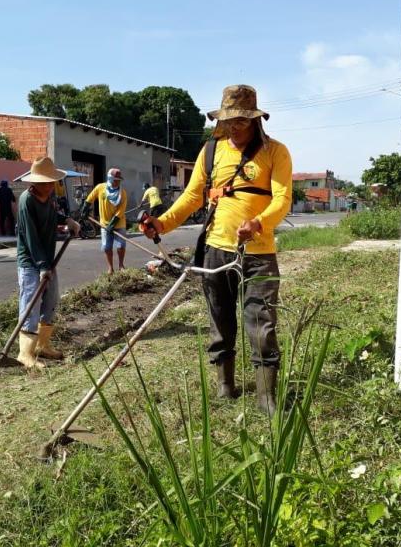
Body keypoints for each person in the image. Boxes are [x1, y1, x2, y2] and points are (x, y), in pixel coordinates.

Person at [142, 85, 292, 415]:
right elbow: (193, 197)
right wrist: (162, 223)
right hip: (215, 251)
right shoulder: (211, 151)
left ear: (254, 120)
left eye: (241, 120)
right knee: (219, 321)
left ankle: (266, 396)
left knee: (261, 323)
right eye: (228, 120)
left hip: (258, 254)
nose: (234, 127)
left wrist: (259, 222)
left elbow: (282, 199)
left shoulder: (275, 152)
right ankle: (226, 385)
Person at [16, 157, 80, 368]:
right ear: (35, 183)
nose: (51, 186)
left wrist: (67, 221)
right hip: (31, 262)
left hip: (47, 260)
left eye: (52, 182)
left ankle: (42, 346)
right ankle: (25, 353)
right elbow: (31, 237)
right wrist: (43, 266)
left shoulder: (50, 198)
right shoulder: (27, 200)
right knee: (31, 305)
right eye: (47, 182)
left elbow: (54, 216)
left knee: (51, 301)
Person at [83, 168, 128, 274]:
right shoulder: (100, 188)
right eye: (115, 180)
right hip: (104, 223)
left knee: (121, 246)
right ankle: (110, 268)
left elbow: (121, 211)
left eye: (119, 180)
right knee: (107, 247)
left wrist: (113, 223)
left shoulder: (123, 193)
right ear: (110, 178)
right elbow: (90, 198)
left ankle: (121, 265)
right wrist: (85, 209)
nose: (118, 182)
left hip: (119, 223)